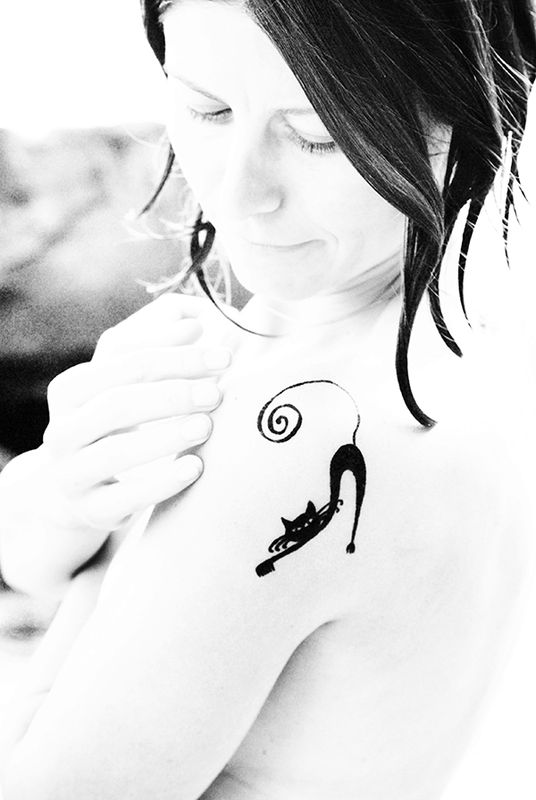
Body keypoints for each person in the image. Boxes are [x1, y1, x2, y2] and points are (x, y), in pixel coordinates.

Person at [1, 1, 536, 798]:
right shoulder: (404, 340)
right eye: (206, 108)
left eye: (318, 135)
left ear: (465, 111)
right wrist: (52, 500)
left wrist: (81, 625)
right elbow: (39, 560)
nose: (238, 191)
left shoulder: (296, 444)